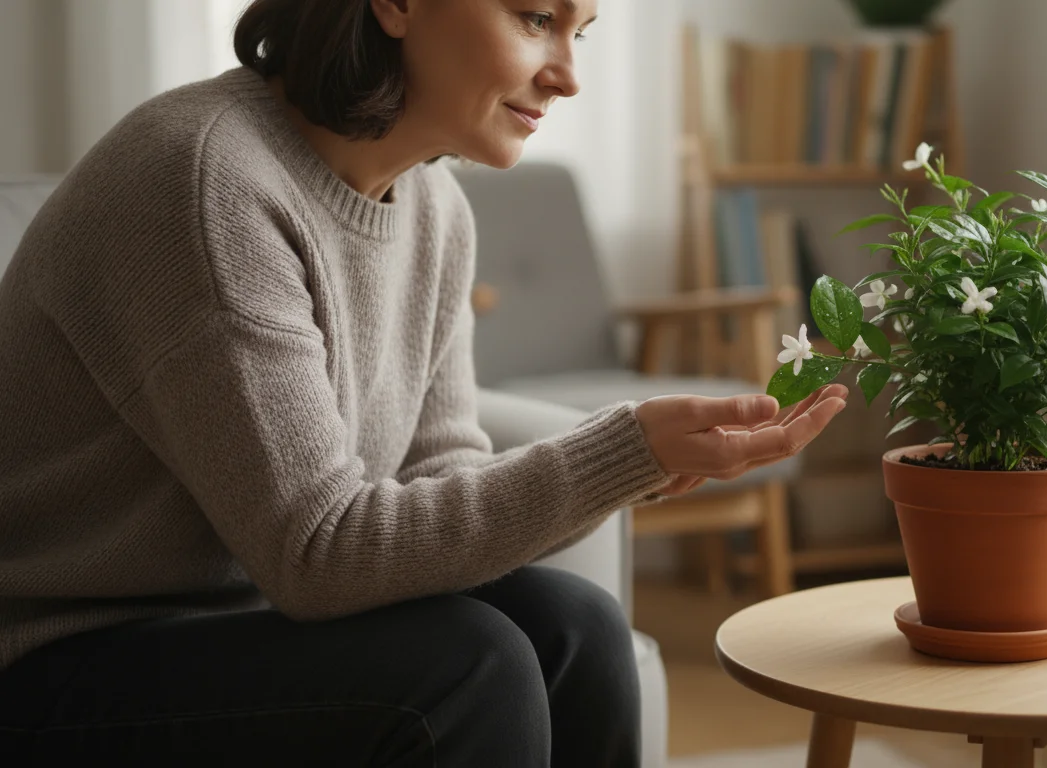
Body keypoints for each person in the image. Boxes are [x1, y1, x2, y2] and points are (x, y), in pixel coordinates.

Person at [0, 0, 849, 765]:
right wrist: (613, 453)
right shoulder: (205, 179)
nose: (568, 75)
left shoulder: (435, 211)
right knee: (469, 666)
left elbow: (437, 477)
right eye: (533, 18)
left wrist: (643, 465)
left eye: (579, 32)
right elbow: (317, 555)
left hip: (243, 621)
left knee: (576, 628)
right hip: (60, 655)